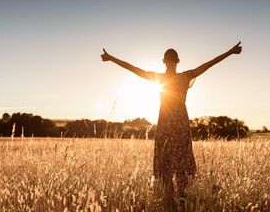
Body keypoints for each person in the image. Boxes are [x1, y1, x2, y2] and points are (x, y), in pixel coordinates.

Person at [100, 42, 242, 206]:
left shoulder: (159, 77)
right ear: (178, 61)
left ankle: (169, 196)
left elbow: (133, 68)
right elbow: (209, 64)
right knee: (181, 158)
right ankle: (181, 195)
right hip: (181, 123)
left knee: (165, 157)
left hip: (165, 123)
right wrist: (231, 51)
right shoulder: (185, 76)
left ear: (163, 61)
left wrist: (111, 58)